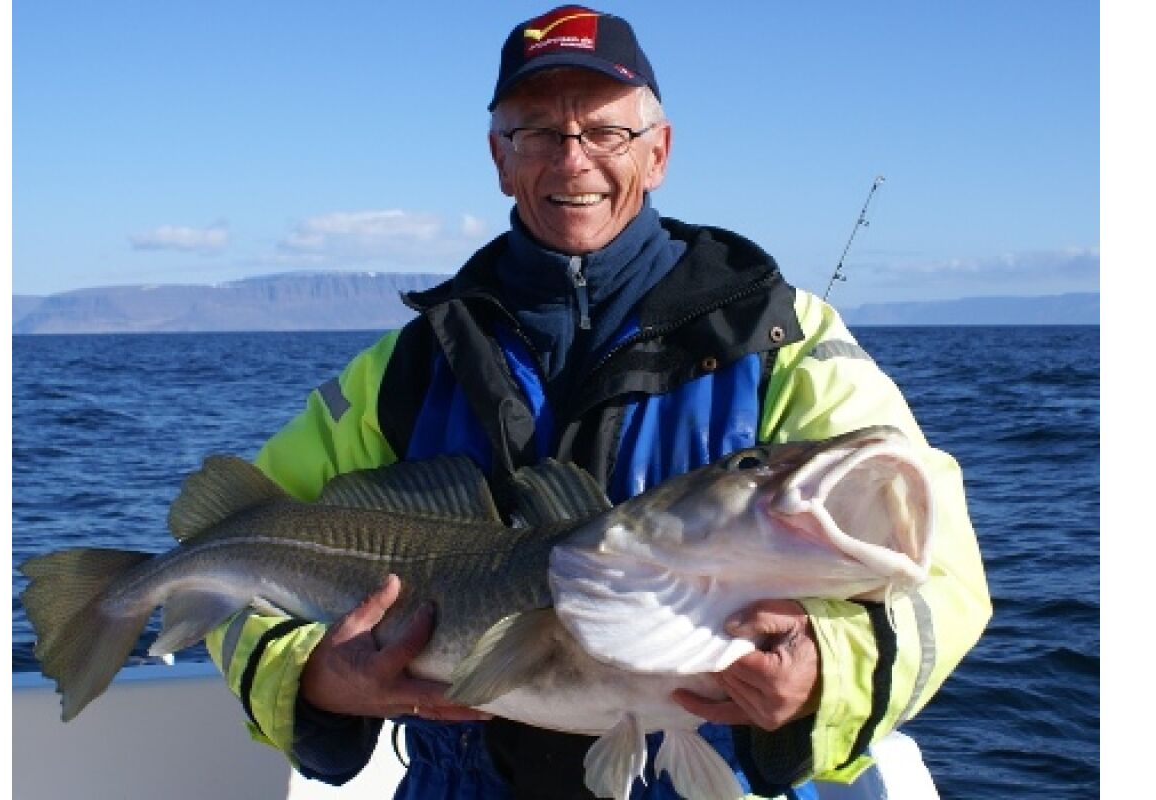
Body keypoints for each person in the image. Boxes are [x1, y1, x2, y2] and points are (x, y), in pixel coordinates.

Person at [204, 5, 992, 799]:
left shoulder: (785, 339)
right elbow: (231, 544)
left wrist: (827, 667)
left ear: (659, 152)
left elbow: (940, 572)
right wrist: (310, 677)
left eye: (606, 132)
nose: (572, 159)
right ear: (500, 157)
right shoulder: (407, 364)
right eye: (537, 133)